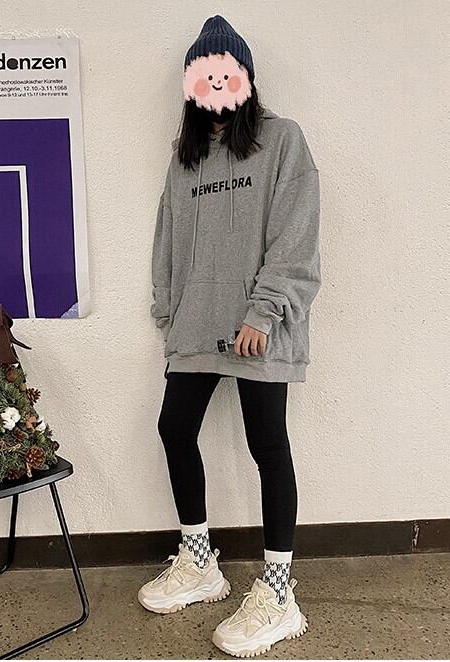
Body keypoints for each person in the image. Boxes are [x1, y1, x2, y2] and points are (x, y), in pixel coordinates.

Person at [139, 15, 321, 658]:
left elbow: (296, 237)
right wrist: (169, 309)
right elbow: (167, 237)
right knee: (173, 428)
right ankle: (199, 561)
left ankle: (278, 592)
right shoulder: (185, 157)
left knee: (267, 443)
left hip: (258, 327)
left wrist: (264, 312)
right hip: (197, 320)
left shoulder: (282, 141)